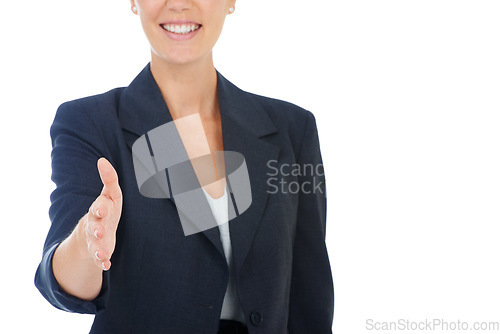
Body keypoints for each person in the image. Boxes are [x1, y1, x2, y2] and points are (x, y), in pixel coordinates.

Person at [34, 0, 334, 333]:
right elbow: (61, 280)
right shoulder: (91, 123)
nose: (178, 4)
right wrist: (88, 242)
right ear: (134, 2)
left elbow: (310, 294)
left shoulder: (293, 129)